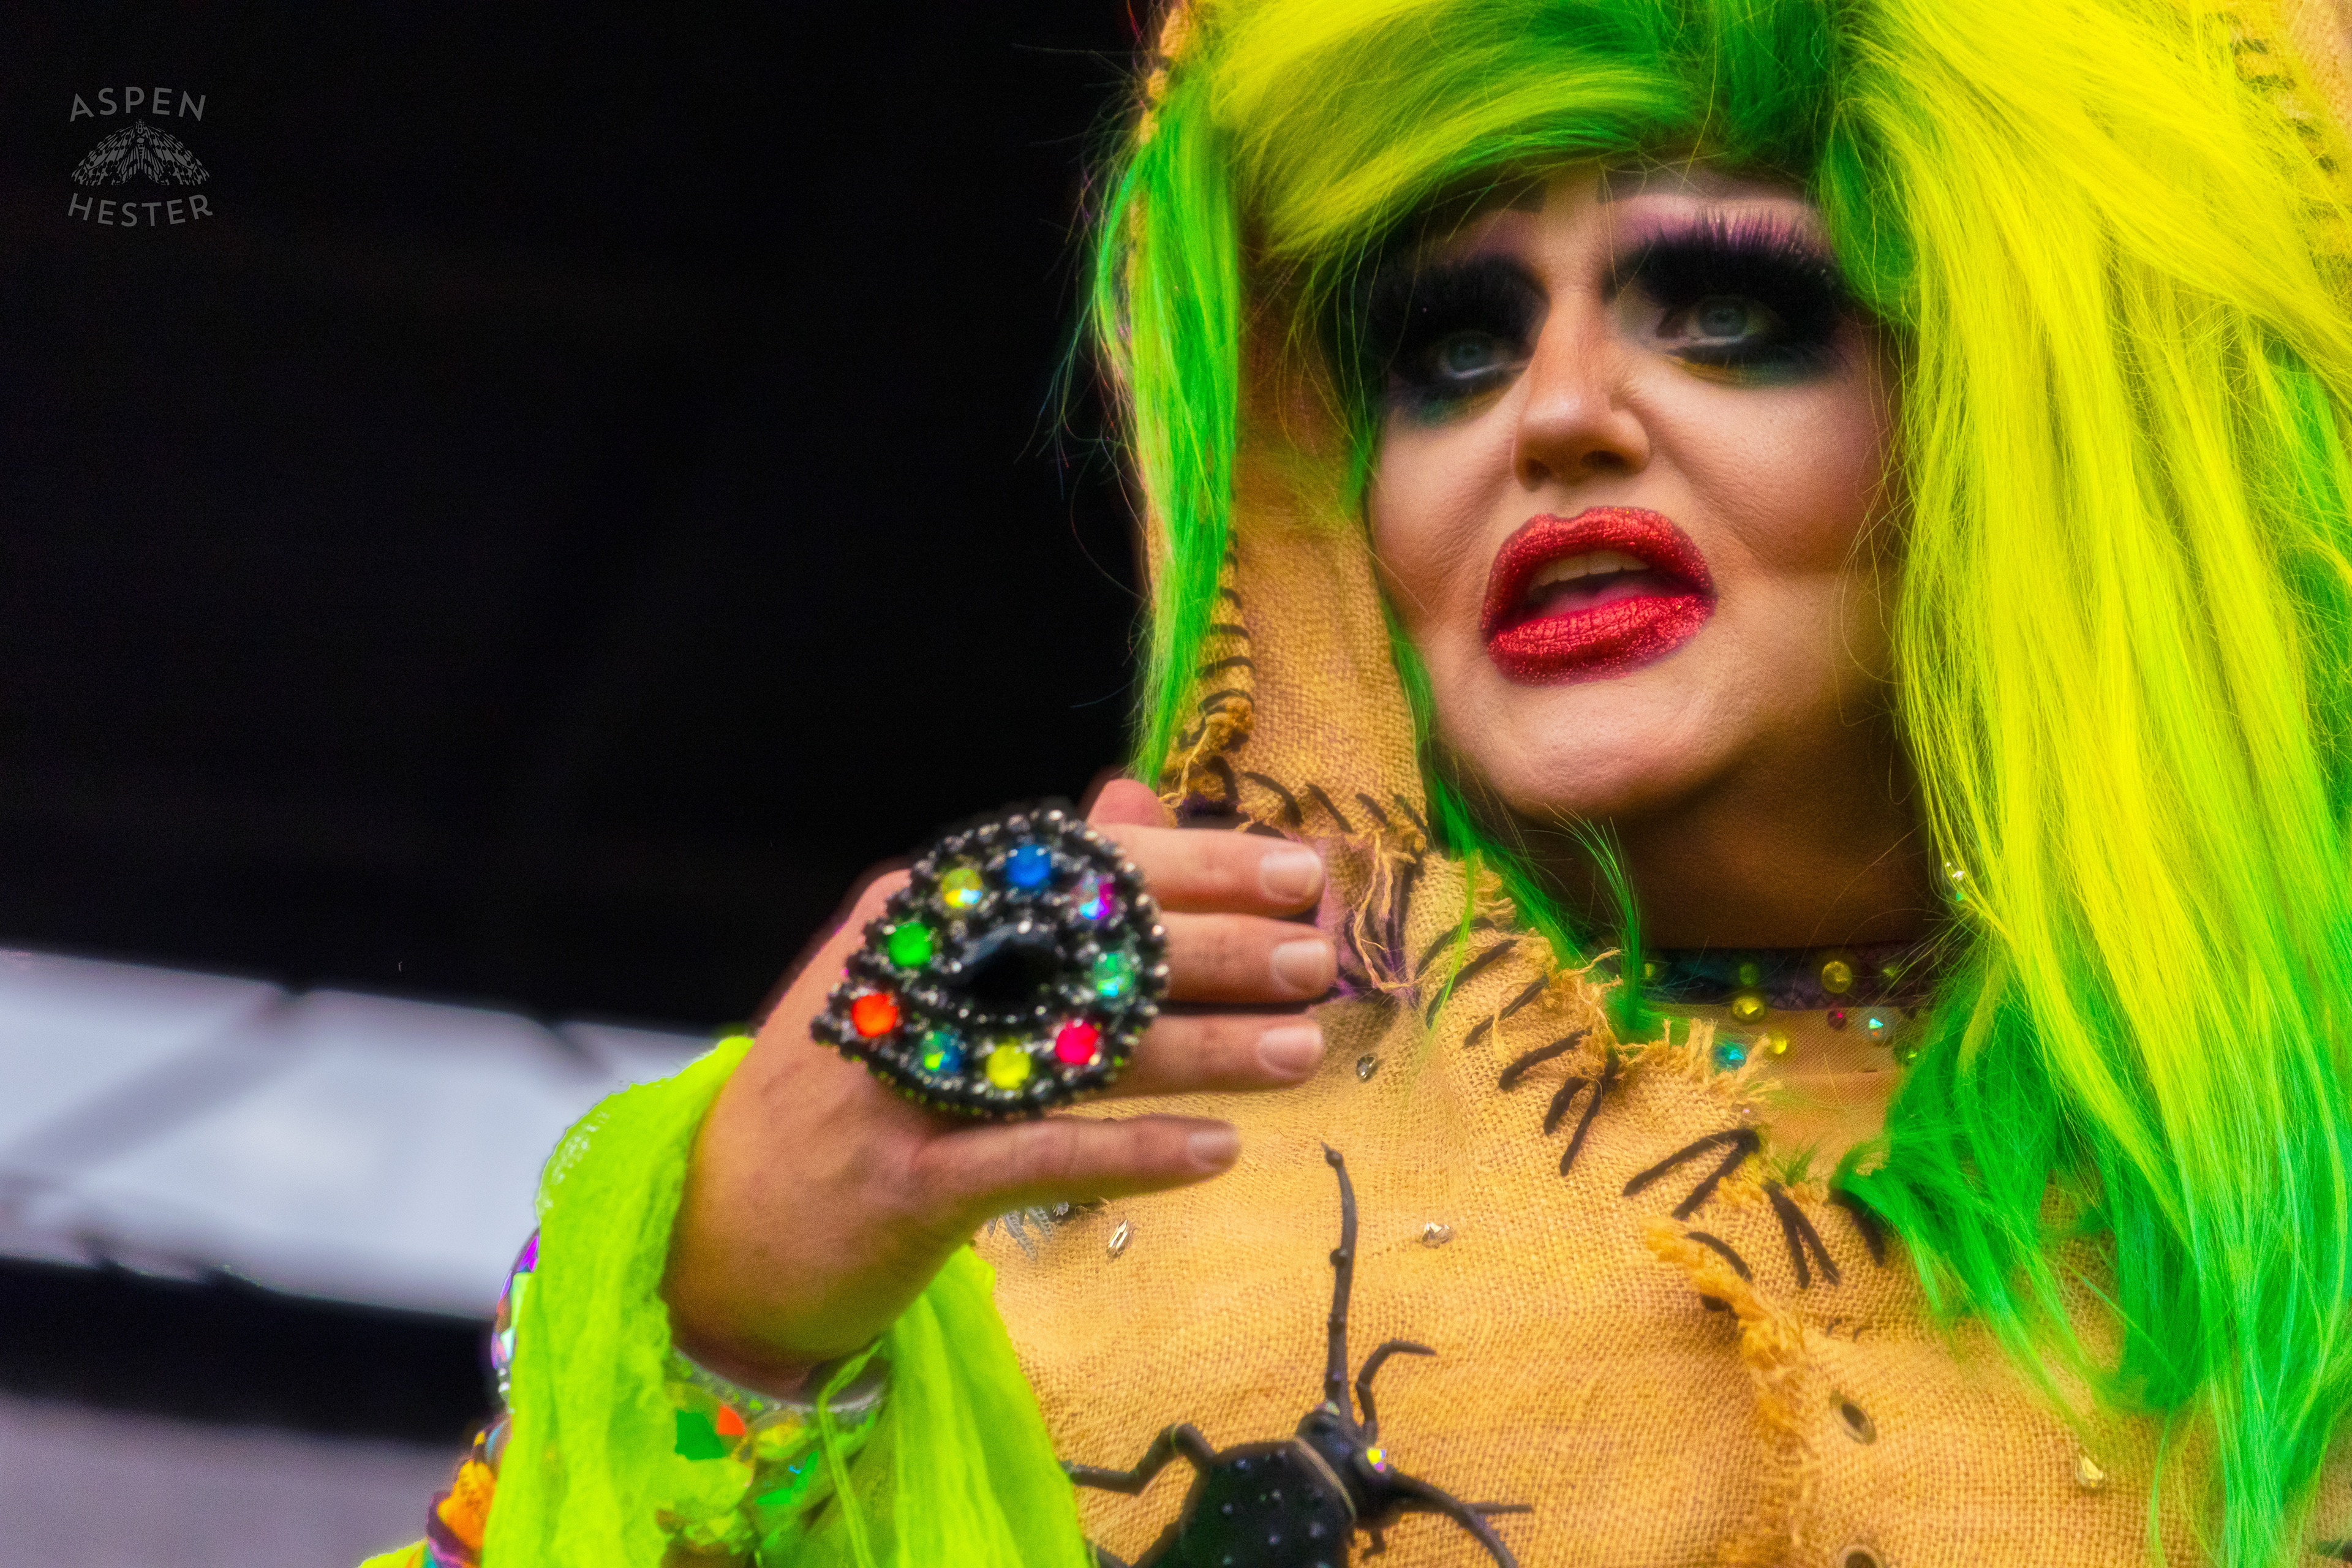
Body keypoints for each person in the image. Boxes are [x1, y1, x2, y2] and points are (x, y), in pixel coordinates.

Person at [369, 0, 2352, 1562]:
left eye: (1730, 313)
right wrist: (738, 1316)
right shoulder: (1102, 1190)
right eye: (1451, 348)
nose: (1562, 417)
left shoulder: (2295, 1198)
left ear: (2031, 414)